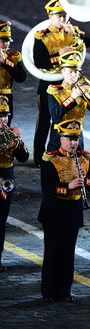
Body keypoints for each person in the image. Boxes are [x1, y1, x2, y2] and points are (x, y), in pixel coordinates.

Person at [38, 119, 90, 301]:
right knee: (53, 252)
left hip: (73, 211)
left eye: (76, 139)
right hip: (55, 211)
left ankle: (64, 291)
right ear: (61, 138)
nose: (73, 143)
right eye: (69, 138)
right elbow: (47, 188)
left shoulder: (84, 159)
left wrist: (85, 180)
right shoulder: (50, 159)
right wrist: (68, 185)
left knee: (67, 253)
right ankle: (49, 291)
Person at [33, 0, 90, 165]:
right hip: (49, 81)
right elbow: (40, 62)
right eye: (58, 15)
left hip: (70, 80)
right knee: (45, 119)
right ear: (50, 16)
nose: (62, 18)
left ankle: (68, 152)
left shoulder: (72, 30)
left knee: (68, 117)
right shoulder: (43, 36)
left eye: (65, 15)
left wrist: (78, 34)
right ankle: (39, 156)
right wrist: (60, 56)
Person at [47, 48, 90, 150]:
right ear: (62, 71)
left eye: (76, 71)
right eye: (71, 71)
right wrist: (73, 97)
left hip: (77, 136)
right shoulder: (54, 91)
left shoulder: (84, 90)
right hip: (59, 135)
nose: (74, 75)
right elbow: (55, 115)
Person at [0, 96, 29, 272]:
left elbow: (23, 158)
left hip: (7, 178)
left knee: (1, 221)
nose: (3, 119)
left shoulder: (11, 134)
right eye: (0, 116)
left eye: (5, 116)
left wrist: (19, 143)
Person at [0, 21, 26, 125]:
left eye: (7, 41)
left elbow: (21, 78)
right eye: (2, 41)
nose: (6, 44)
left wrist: (6, 62)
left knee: (6, 127)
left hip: (6, 97)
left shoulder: (13, 57)